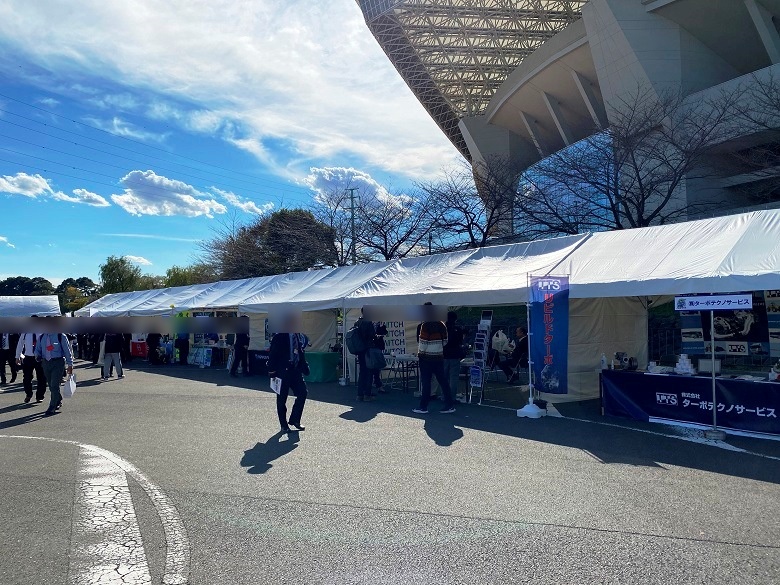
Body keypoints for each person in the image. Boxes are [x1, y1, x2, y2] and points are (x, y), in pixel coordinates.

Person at [413, 304, 457, 415]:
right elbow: (445, 342)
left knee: (426, 382)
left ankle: (423, 406)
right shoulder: (442, 324)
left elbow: (422, 343)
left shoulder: (425, 325)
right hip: (438, 357)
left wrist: (420, 354)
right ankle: (449, 404)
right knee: (443, 381)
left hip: (426, 358)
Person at [268, 327, 309, 433]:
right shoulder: (279, 336)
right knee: (282, 399)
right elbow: (272, 355)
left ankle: (295, 420)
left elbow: (300, 353)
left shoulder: (298, 335)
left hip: (295, 370)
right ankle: (283, 425)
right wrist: (272, 372)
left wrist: (304, 366)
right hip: (282, 371)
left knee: (302, 393)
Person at [34, 329, 73, 416]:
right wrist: (37, 356)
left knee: (54, 384)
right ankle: (58, 399)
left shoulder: (60, 336)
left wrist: (70, 364)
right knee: (51, 385)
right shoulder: (42, 337)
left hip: (57, 362)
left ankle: (52, 406)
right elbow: (37, 350)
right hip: (46, 363)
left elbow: (67, 351)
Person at [15, 319, 47, 403]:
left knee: (41, 378)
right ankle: (28, 394)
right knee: (27, 378)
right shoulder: (25, 333)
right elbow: (20, 344)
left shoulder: (42, 332)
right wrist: (17, 356)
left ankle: (40, 396)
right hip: (28, 357)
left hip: (39, 358)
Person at [354, 308, 377, 402]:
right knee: (369, 372)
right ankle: (367, 394)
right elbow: (372, 336)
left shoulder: (357, 322)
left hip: (360, 349)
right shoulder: (368, 322)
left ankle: (360, 394)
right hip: (368, 349)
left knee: (362, 372)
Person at [442, 311, 465, 399]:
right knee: (453, 378)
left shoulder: (443, 328)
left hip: (444, 355)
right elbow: (460, 342)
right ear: (455, 319)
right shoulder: (457, 329)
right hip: (455, 355)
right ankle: (451, 397)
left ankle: (444, 396)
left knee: (444, 377)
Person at [371, 322, 389, 393]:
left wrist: (381, 326)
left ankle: (377, 383)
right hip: (371, 347)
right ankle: (377, 384)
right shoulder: (369, 324)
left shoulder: (380, 324)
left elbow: (384, 332)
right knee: (373, 367)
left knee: (377, 367)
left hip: (378, 347)